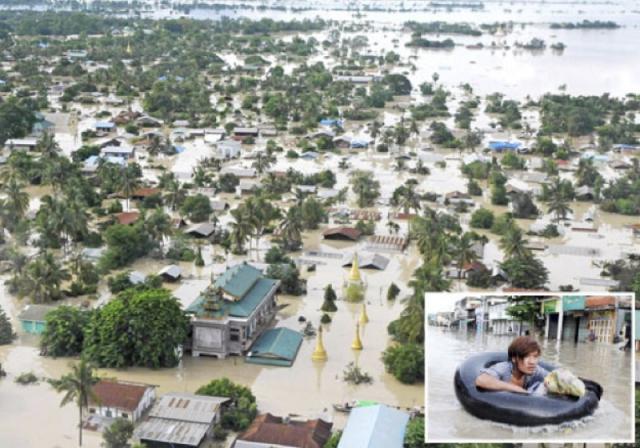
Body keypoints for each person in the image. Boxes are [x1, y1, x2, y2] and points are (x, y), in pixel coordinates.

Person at [475, 336, 550, 394]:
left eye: (535, 356)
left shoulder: (534, 370)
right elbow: (481, 380)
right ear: (514, 358)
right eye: (526, 356)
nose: (532, 362)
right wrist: (519, 390)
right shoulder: (503, 368)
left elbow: (553, 375)